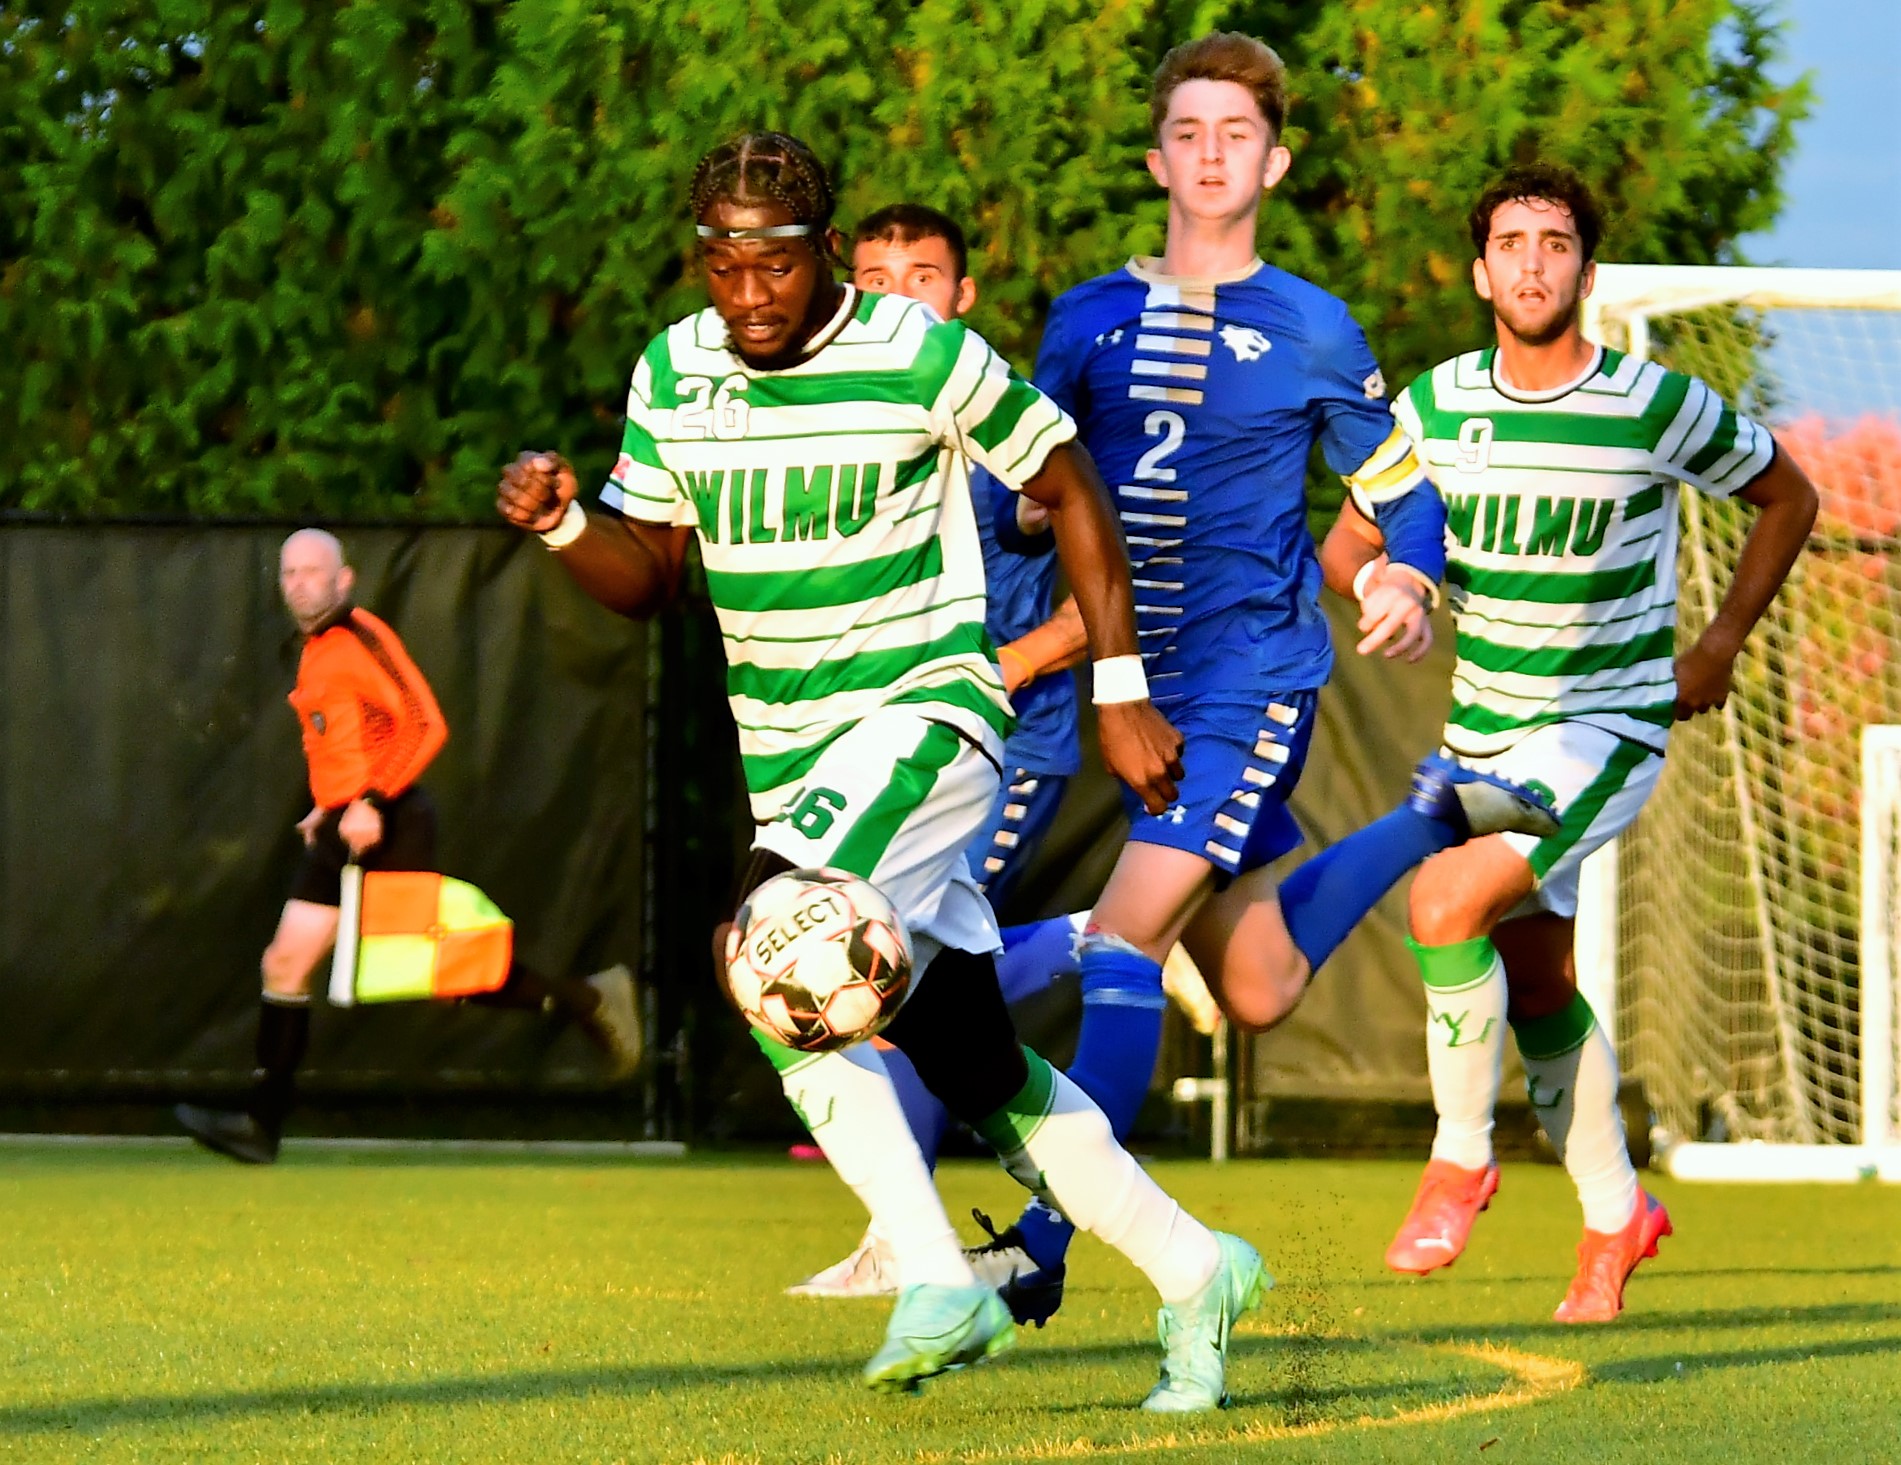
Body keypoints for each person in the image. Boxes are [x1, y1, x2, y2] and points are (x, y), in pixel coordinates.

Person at [497, 130, 1275, 1411]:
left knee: (764, 950)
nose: (747, 293)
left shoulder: (919, 351)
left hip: (929, 716)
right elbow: (648, 577)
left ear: (822, 255)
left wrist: (1120, 690)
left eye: (774, 264)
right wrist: (566, 522)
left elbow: (1073, 485)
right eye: (720, 262)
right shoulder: (674, 372)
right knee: (978, 1067)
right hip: (792, 763)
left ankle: (934, 1273)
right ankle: (1196, 1269)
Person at [955, 32, 1560, 1329]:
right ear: (1158, 154)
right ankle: (1433, 814)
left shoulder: (1311, 327)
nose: (1213, 152)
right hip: (1134, 685)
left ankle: (1039, 1253)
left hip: (1248, 682)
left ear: (1273, 160)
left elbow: (1403, 499)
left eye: (1239, 132)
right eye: (1190, 130)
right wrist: (1008, 513)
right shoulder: (1084, 319)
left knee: (1119, 946)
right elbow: (1040, 491)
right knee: (1257, 984)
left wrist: (1406, 580)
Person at [1320, 163, 1818, 1322]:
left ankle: (1458, 1156)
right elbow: (1351, 541)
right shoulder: (1432, 406)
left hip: (1604, 726)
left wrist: (1721, 642)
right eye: (1511, 242)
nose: (1532, 261)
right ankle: (1613, 1217)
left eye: (1554, 243)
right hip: (1481, 733)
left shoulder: (1652, 403)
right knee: (1538, 981)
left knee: (1441, 905)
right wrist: (1386, 580)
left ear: (1584, 274)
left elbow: (1787, 497)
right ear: (1482, 269)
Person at [785, 202, 1092, 1300]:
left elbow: (1096, 565)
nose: (898, 292)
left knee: (870, 971)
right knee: (910, 989)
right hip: (875, 757)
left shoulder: (988, 429)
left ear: (960, 298)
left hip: (986, 752)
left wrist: (1010, 663)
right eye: (875, 276)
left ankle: (903, 1240)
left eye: (924, 275)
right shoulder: (850, 419)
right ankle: (1111, 937)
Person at [174, 530, 642, 1165]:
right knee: (285, 964)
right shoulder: (316, 649)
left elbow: (424, 721)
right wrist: (331, 804)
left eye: (314, 571)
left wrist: (368, 798)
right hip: (347, 823)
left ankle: (588, 998)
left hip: (387, 821)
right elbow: (347, 736)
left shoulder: (360, 635)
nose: (300, 583)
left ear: (345, 580)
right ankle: (260, 1127)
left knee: (440, 972)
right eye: (289, 573)